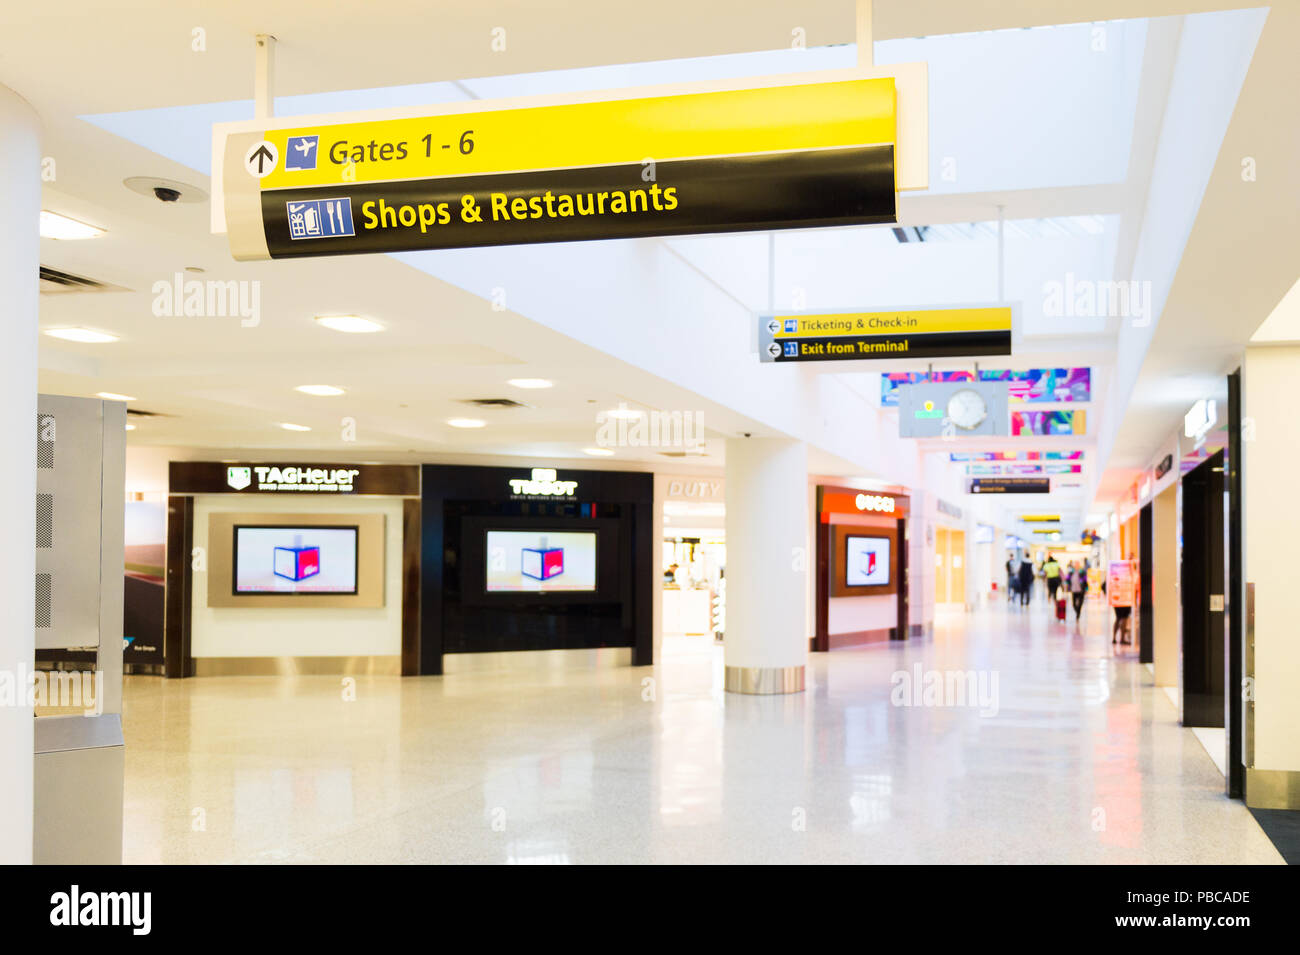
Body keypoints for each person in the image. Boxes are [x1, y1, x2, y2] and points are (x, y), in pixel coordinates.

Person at [1068, 561, 1087, 626]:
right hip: (1074, 590)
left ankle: (1078, 613)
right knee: (1074, 604)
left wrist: (1086, 588)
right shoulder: (1071, 572)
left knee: (1080, 603)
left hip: (1081, 590)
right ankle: (1077, 612)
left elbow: (1085, 580)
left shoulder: (1082, 572)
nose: (1076, 566)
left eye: (1077, 564)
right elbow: (1068, 579)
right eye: (1075, 565)